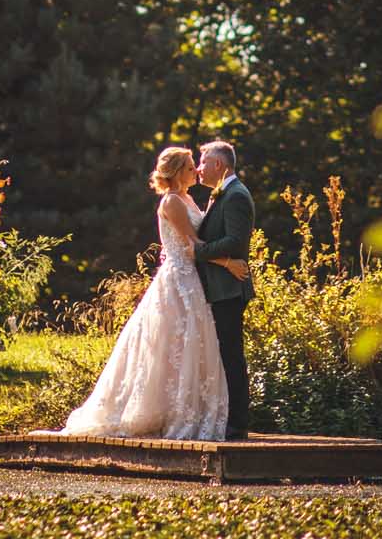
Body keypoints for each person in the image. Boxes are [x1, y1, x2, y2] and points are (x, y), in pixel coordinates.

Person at [56, 146, 249, 441]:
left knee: (188, 349)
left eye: (198, 164)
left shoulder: (188, 198)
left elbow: (199, 243)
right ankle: (165, 412)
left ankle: (188, 410)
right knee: (170, 347)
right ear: (175, 173)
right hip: (179, 281)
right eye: (189, 167)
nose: (196, 170)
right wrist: (227, 262)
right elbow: (191, 245)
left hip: (192, 281)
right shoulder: (172, 202)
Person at [190, 139, 255, 440]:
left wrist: (196, 251)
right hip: (218, 287)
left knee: (231, 354)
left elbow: (235, 243)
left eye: (203, 162)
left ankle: (238, 423)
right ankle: (225, 417)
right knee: (222, 353)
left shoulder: (236, 196)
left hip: (229, 289)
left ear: (219, 165)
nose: (199, 169)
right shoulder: (222, 194)